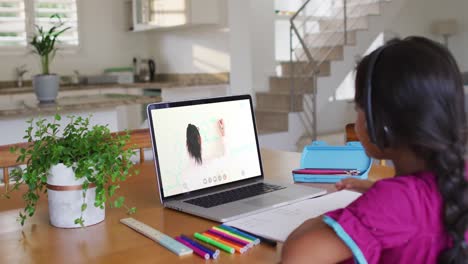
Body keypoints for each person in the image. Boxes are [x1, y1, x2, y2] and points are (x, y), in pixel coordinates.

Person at [281, 36, 468, 264]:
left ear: (382, 122)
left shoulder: (395, 202)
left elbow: (296, 257)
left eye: (358, 106)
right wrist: (376, 192)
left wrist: (351, 214)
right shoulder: (457, 178)